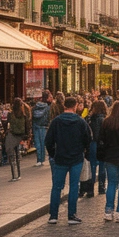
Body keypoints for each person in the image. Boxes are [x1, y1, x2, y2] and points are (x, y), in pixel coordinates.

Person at [45, 95, 92, 225]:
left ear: (64, 106)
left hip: (60, 157)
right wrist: (85, 151)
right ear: (75, 106)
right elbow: (88, 138)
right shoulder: (81, 121)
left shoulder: (56, 121)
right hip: (76, 157)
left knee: (57, 187)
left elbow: (48, 141)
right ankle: (71, 215)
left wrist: (53, 154)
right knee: (74, 186)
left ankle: (53, 215)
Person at [80, 98, 106, 198]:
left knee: (92, 166)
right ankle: (101, 186)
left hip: (92, 144)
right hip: (102, 144)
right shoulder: (104, 119)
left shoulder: (90, 119)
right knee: (102, 166)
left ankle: (90, 189)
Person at [4, 98, 31, 182]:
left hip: (12, 136)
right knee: (18, 154)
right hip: (21, 136)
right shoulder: (24, 115)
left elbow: (7, 125)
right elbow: (27, 126)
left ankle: (14, 175)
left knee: (12, 156)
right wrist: (27, 136)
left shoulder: (10, 114)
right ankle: (19, 174)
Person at [32, 91, 54, 166]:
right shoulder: (48, 107)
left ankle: (39, 159)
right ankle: (42, 159)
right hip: (43, 125)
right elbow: (48, 116)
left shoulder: (36, 105)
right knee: (43, 143)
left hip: (36, 125)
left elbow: (33, 114)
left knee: (37, 143)